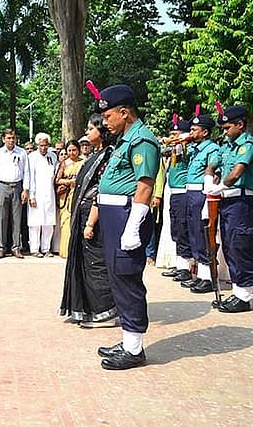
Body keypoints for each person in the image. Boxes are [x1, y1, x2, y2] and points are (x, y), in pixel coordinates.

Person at [92, 83, 160, 370]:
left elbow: (145, 186)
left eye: (108, 117)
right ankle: (128, 339)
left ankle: (134, 349)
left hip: (126, 216)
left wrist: (133, 227)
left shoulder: (141, 140)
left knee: (127, 278)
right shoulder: (124, 139)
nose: (105, 122)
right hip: (113, 215)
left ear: (124, 112)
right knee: (117, 277)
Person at [60, 113, 118, 327]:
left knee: (96, 263)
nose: (86, 133)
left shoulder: (109, 156)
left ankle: (105, 312)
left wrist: (90, 223)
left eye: (90, 129)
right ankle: (87, 308)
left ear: (101, 131)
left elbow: (101, 191)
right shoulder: (98, 154)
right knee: (84, 262)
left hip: (95, 215)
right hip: (84, 212)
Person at [205, 105, 253, 313]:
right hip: (227, 202)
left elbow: (236, 174)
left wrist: (219, 186)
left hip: (241, 202)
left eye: (227, 128)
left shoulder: (247, 144)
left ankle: (246, 295)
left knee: (240, 245)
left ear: (240, 125)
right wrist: (210, 180)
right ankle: (238, 291)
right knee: (229, 246)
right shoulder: (229, 145)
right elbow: (214, 165)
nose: (224, 132)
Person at [183, 114, 219, 294]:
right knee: (193, 231)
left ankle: (208, 276)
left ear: (205, 132)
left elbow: (213, 171)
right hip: (190, 192)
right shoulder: (195, 149)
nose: (191, 133)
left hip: (201, 192)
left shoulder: (211, 148)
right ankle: (200, 273)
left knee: (201, 231)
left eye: (194, 130)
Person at [159, 117, 194, 283]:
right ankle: (180, 264)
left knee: (183, 228)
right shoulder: (174, 148)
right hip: (174, 192)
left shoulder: (187, 147)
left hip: (183, 192)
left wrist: (182, 140)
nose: (173, 136)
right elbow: (161, 148)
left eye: (176, 133)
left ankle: (186, 266)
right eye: (171, 133)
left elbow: (183, 148)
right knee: (176, 229)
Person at [0, 129, 30, 259]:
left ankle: (16, 247)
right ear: (3, 139)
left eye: (13, 138)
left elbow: (26, 172)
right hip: (2, 186)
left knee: (17, 218)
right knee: (1, 218)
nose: (11, 140)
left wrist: (25, 189)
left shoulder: (22, 152)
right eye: (8, 138)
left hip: (17, 186)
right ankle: (1, 248)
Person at [27, 133, 57, 258]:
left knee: (48, 222)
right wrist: (31, 195)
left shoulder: (53, 156)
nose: (43, 148)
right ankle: (34, 248)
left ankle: (46, 248)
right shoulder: (32, 157)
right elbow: (30, 177)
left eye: (45, 145)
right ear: (37, 145)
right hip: (36, 193)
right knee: (35, 222)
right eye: (41, 145)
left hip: (49, 193)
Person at [55, 140, 85, 259]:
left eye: (74, 150)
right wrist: (69, 182)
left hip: (79, 194)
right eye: (69, 150)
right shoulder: (64, 163)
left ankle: (78, 251)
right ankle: (66, 251)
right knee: (66, 223)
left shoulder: (83, 162)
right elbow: (57, 180)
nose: (72, 153)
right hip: (66, 196)